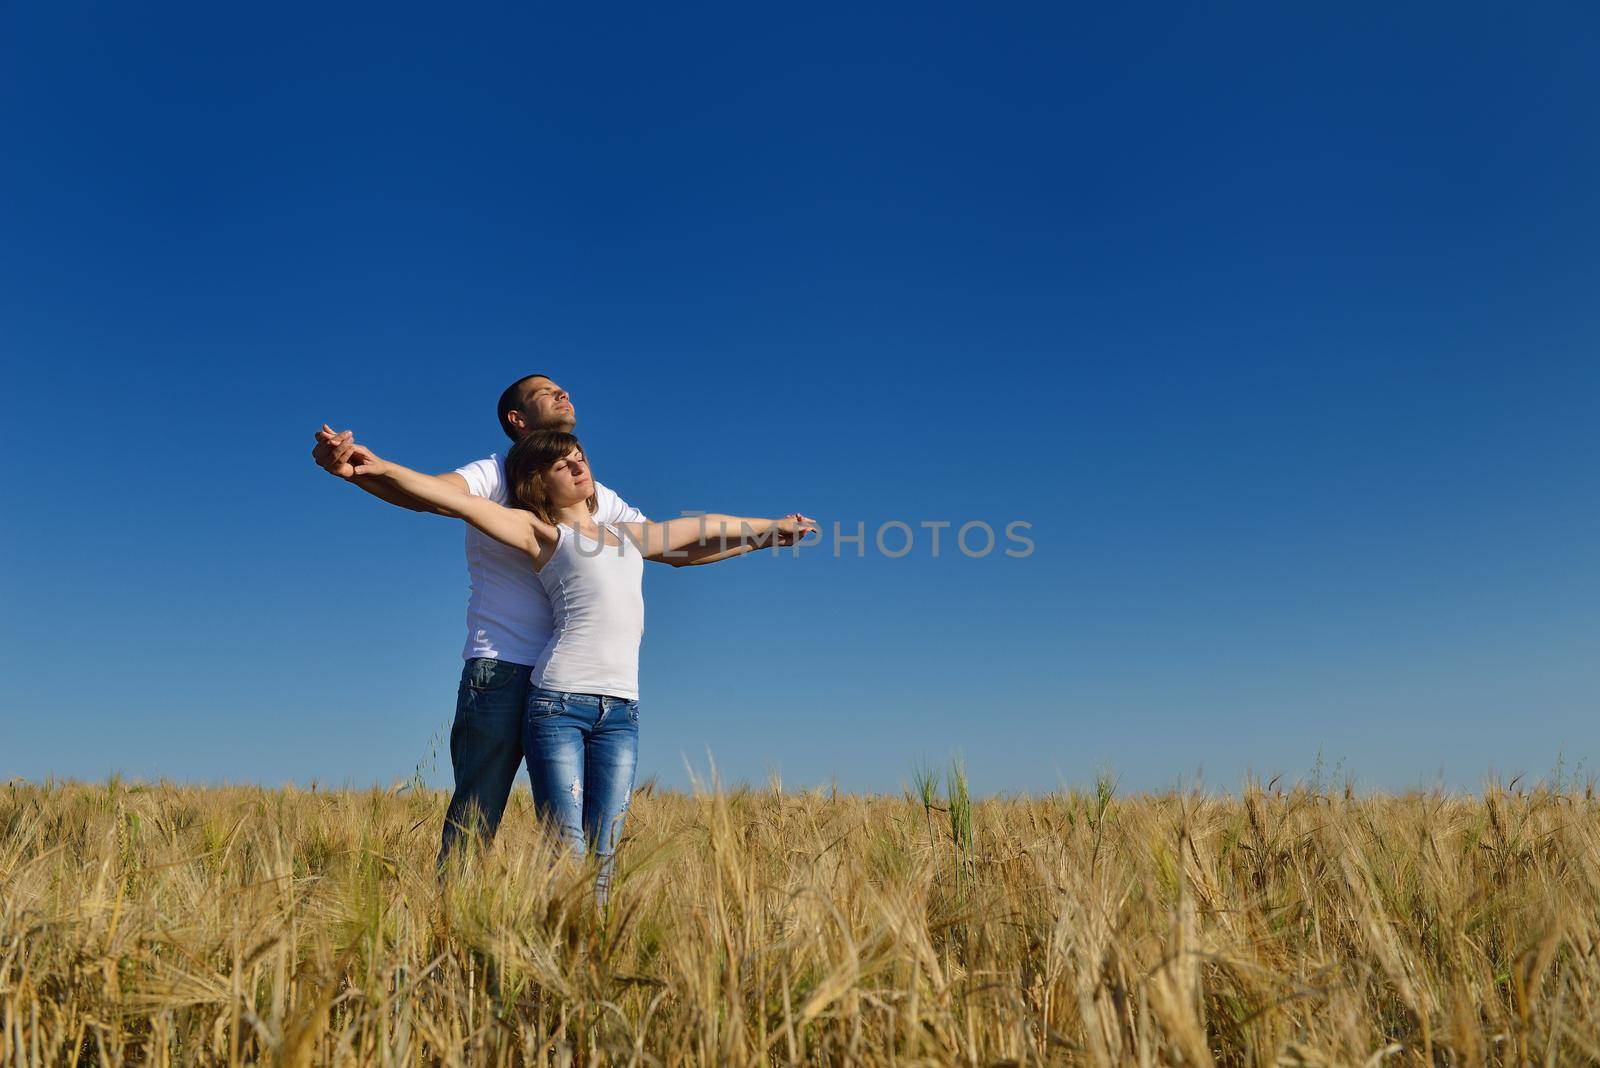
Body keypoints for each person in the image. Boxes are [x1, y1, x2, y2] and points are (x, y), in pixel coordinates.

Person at [311, 374, 784, 867]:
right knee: (478, 811)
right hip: (503, 667)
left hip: (584, 681)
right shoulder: (494, 474)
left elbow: (674, 545)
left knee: (585, 836)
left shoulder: (595, 497)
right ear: (517, 420)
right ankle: (453, 924)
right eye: (546, 393)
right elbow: (435, 495)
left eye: (565, 391)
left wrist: (763, 536)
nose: (564, 395)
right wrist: (367, 469)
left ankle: (573, 928)